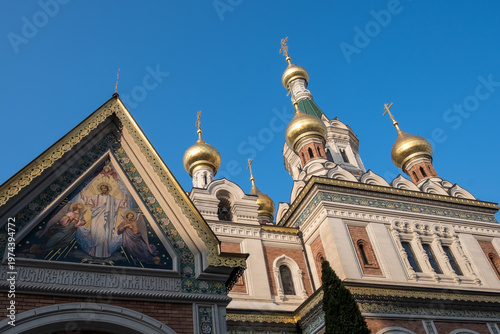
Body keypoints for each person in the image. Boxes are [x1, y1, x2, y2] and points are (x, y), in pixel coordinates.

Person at [80, 182, 128, 258]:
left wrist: (125, 200)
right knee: (96, 235)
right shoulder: (96, 197)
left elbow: (120, 204)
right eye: (102, 188)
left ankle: (103, 254)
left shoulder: (111, 199)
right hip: (96, 219)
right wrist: (82, 196)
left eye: (104, 188)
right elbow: (87, 200)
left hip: (106, 220)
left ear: (108, 189)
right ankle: (94, 253)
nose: (103, 189)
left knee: (104, 235)